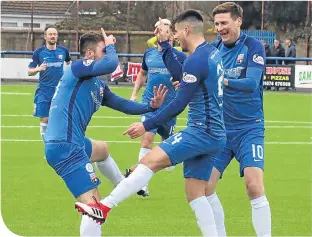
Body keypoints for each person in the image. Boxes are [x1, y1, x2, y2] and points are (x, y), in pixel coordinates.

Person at [75, 10, 226, 237]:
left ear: (186, 30)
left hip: (201, 131)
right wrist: (164, 46)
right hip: (215, 132)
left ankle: (104, 207)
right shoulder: (211, 53)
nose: (175, 37)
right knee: (195, 192)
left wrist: (147, 124)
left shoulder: (197, 59)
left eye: (175, 33)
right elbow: (182, 72)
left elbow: (178, 104)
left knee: (148, 161)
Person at [44, 28, 168, 237]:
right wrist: (110, 44)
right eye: (104, 50)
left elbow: (126, 106)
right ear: (91, 54)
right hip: (65, 146)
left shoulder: (98, 86)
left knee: (102, 149)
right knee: (94, 208)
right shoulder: (77, 68)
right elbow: (111, 63)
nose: (109, 53)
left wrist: (151, 107)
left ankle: (122, 184)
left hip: (74, 141)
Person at [206, 2, 271, 237]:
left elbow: (251, 84)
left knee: (254, 187)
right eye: (216, 24)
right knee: (205, 187)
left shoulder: (253, 46)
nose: (220, 28)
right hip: (221, 131)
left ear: (238, 21)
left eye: (224, 23)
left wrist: (223, 80)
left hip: (249, 128)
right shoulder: (214, 51)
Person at [130, 21, 187, 196]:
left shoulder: (179, 57)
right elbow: (142, 73)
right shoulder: (149, 53)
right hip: (150, 104)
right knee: (147, 140)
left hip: (170, 107)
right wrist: (134, 94)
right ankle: (141, 184)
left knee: (167, 141)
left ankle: (170, 158)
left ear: (171, 35)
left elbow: (185, 81)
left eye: (166, 29)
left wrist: (179, 84)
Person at [28, 25, 71, 143]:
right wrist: (38, 69)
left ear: (57, 36)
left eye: (55, 34)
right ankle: (47, 148)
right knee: (44, 120)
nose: (53, 36)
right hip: (43, 91)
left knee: (60, 120)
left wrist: (69, 76)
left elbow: (69, 63)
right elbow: (29, 71)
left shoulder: (63, 51)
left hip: (59, 92)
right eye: (50, 34)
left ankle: (59, 144)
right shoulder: (39, 52)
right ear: (45, 36)